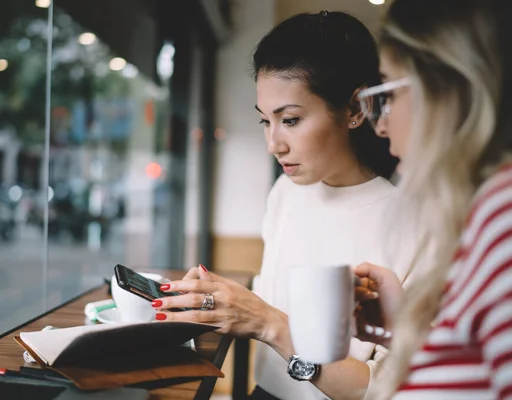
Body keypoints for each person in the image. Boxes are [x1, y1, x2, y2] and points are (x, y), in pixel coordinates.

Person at [152, 12, 403, 400]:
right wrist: (218, 303)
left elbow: (389, 389)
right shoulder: (286, 193)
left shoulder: (411, 220)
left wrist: (268, 322)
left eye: (290, 119)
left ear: (356, 110)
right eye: (265, 122)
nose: (274, 144)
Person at [352, 0, 512, 398]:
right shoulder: (482, 216)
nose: (382, 125)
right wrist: (405, 328)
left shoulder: (503, 215)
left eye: (388, 93)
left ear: (446, 90)